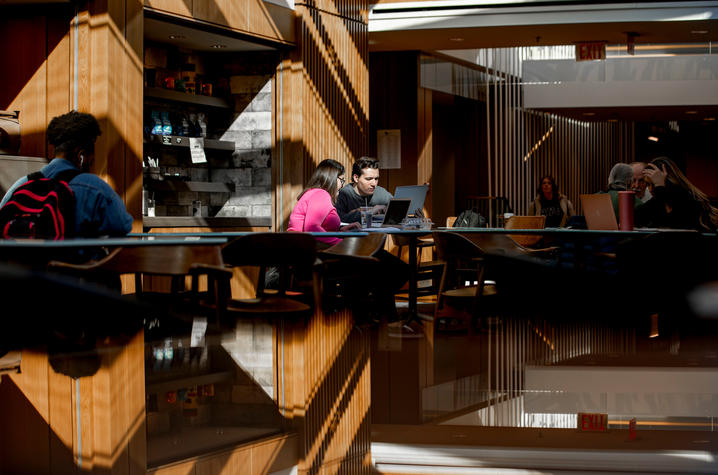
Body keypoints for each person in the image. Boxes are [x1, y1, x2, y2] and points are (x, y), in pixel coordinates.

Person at [1, 111, 132, 237]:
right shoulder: (94, 187)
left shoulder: (23, 183)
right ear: (81, 155)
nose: (92, 161)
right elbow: (122, 226)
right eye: (92, 156)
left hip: (23, 259)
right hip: (72, 259)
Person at [288, 159, 360, 248]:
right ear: (332, 178)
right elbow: (312, 229)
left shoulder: (315, 193)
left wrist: (340, 230)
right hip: (305, 250)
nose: (342, 185)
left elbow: (318, 228)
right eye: (342, 180)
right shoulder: (320, 194)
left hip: (302, 247)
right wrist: (341, 244)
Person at [635, 156, 718, 232]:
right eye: (648, 184)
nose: (651, 189)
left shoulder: (688, 197)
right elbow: (636, 217)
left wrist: (660, 188)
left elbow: (673, 226)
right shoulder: (657, 199)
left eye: (654, 184)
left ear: (669, 181)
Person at [335, 156, 393, 224]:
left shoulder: (382, 193)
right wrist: (370, 211)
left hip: (377, 234)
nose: (374, 184)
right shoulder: (344, 194)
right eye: (368, 179)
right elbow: (338, 220)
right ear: (356, 178)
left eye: (376, 179)